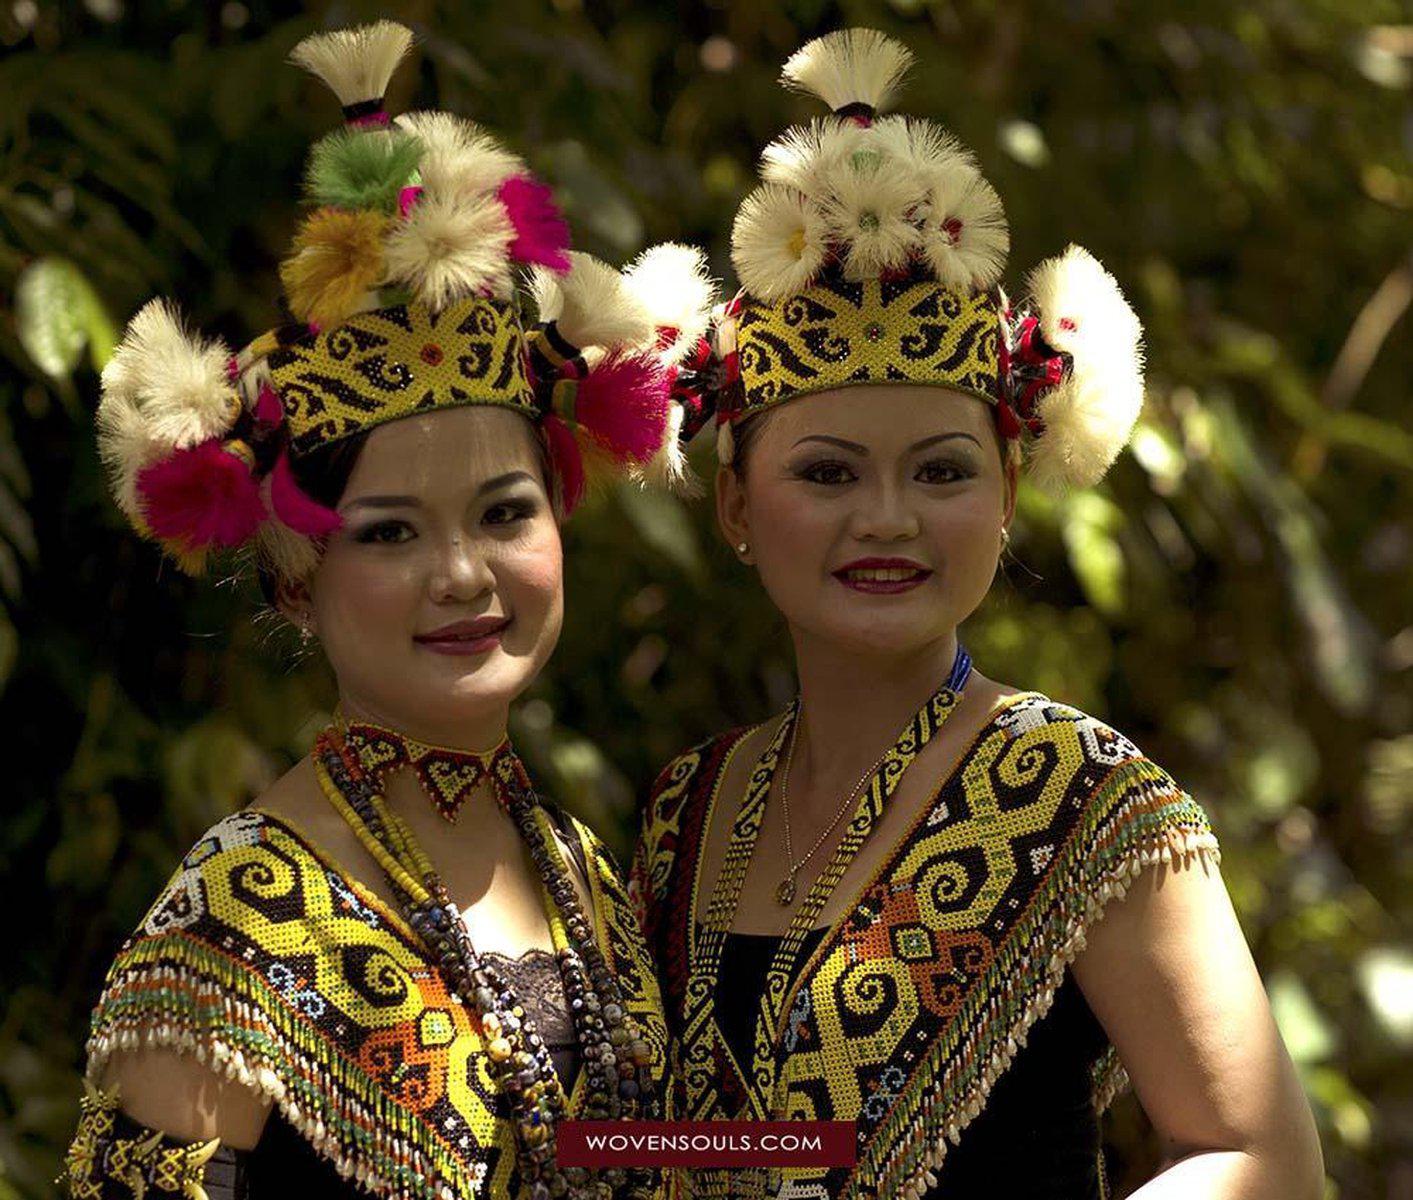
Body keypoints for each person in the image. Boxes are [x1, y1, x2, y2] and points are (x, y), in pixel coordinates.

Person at [631, 28, 1323, 1200]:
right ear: (737, 507)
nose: (889, 519)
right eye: (830, 475)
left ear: (1007, 495)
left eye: (942, 473)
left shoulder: (1086, 798)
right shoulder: (690, 812)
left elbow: (1261, 1157)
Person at [62, 20, 717, 1200]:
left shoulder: (581, 874)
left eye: (504, 514)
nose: (462, 574)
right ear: (294, 583)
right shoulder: (227, 935)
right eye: (390, 533)